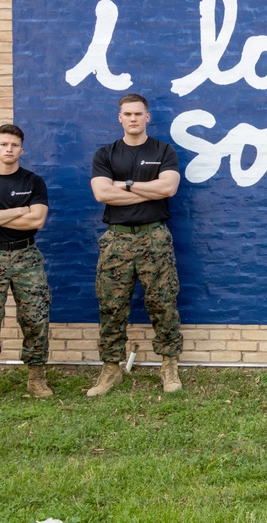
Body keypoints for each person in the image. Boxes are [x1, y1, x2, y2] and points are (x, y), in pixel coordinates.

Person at [87, 93, 184, 396]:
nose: (132, 118)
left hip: (154, 236)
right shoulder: (106, 154)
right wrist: (148, 191)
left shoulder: (163, 150)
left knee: (162, 302)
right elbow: (102, 194)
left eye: (138, 114)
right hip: (116, 239)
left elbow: (168, 187)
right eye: (127, 114)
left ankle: (169, 366)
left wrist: (125, 184)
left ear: (147, 117)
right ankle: (110, 370)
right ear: (120, 118)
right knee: (112, 306)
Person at [0, 124, 53, 404]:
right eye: (3, 144)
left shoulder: (33, 182)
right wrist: (19, 210)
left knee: (35, 319)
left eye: (14, 145)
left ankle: (36, 378)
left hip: (27, 256)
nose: (9, 149)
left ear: (21, 150)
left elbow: (37, 220)